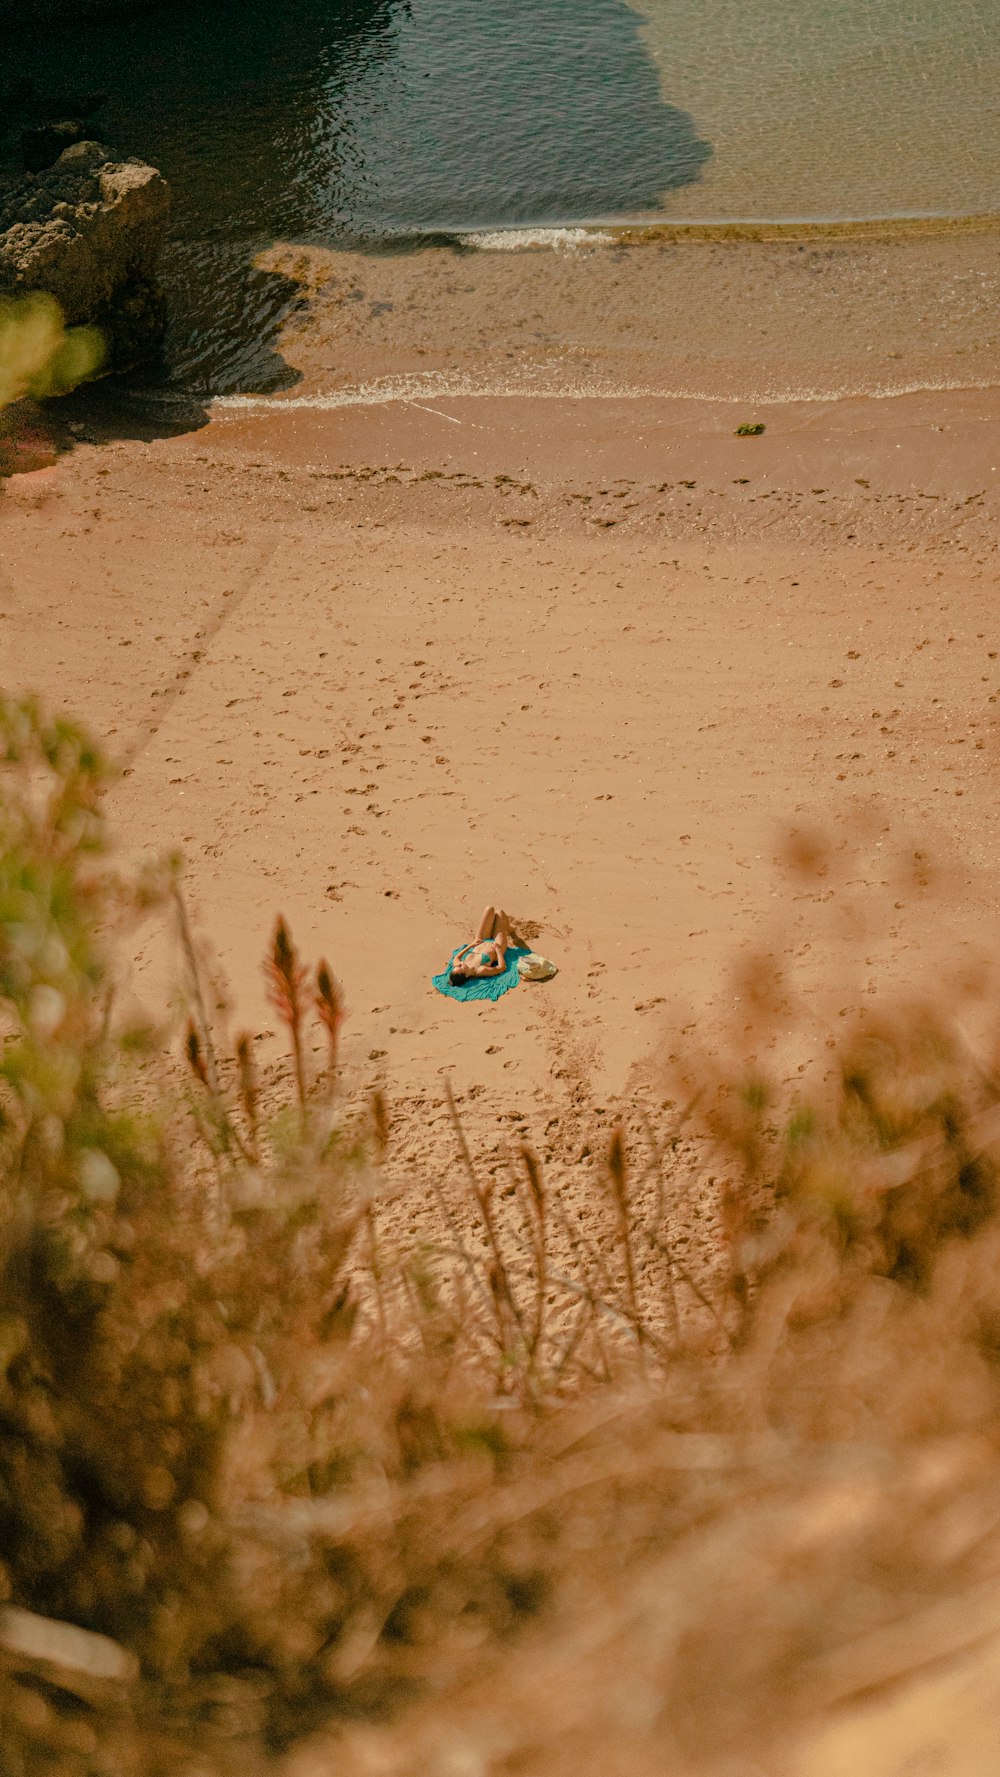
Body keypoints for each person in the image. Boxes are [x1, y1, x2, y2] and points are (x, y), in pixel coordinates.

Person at [449, 905, 512, 985]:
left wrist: (471, 945)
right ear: (467, 975)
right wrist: (498, 950)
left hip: (481, 941)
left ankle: (504, 926)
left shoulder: (458, 964)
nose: (460, 964)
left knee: (489, 909)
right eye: (460, 967)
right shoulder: (480, 970)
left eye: (457, 967)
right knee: (500, 913)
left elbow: (456, 958)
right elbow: (501, 968)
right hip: (496, 946)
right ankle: (508, 927)